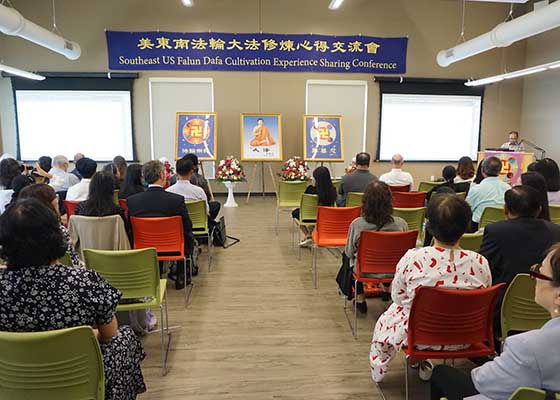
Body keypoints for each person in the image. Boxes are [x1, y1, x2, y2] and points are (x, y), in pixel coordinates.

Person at [0, 199, 146, 400]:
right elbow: (109, 334)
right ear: (55, 236)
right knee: (125, 337)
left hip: (15, 379)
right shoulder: (84, 281)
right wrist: (85, 335)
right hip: (78, 375)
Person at [369, 194, 491, 383]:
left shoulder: (413, 258)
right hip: (465, 336)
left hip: (420, 336)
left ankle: (410, 361)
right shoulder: (480, 262)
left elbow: (398, 297)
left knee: (395, 312)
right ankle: (425, 362)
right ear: (466, 226)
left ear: (428, 225)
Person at [430, 244, 560, 400]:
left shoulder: (528, 348)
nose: (534, 278)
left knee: (442, 374)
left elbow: (484, 383)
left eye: (539, 272)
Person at [479, 185, 560, 301]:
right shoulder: (556, 231)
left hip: (504, 301)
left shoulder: (496, 231)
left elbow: (484, 267)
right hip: (547, 301)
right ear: (539, 210)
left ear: (505, 209)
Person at [127, 160, 195, 290]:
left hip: (144, 247)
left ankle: (152, 275)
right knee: (187, 236)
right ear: (162, 175)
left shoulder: (132, 201)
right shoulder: (176, 200)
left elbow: (129, 228)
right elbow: (187, 226)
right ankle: (181, 275)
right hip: (173, 246)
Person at [344, 181, 408, 313]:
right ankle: (386, 291)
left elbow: (349, 252)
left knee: (347, 258)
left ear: (365, 201)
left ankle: (360, 299)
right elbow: (407, 254)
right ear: (389, 201)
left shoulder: (357, 225)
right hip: (394, 270)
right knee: (388, 254)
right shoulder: (401, 224)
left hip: (365, 271)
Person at [18, 183, 84, 269]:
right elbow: (74, 263)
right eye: (55, 196)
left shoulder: (14, 230)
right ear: (51, 202)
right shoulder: (57, 231)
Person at [292, 166, 337, 247]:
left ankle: (308, 235)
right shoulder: (332, 190)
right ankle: (309, 235)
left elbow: (304, 205)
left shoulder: (310, 189)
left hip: (310, 215)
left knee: (295, 213)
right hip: (326, 216)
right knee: (315, 213)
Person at [466, 157, 510, 231]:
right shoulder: (508, 188)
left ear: (482, 170)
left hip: (476, 229)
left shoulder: (475, 189)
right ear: (500, 171)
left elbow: (466, 209)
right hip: (503, 228)